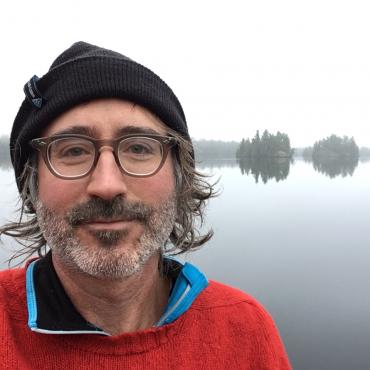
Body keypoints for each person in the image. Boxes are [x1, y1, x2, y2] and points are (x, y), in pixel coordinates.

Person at [0, 41, 291, 369]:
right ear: (32, 183)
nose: (107, 186)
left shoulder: (244, 329)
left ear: (180, 177)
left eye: (138, 148)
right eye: (73, 151)